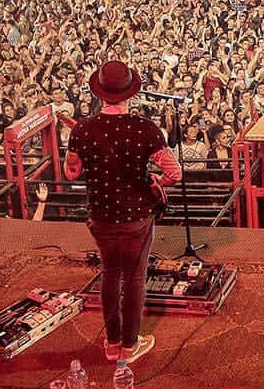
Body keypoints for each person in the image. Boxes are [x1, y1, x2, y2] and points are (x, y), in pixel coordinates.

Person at [65, 60, 181, 365]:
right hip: (136, 215)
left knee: (110, 274)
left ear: (100, 93)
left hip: (100, 214)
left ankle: (112, 342)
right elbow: (174, 173)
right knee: (134, 277)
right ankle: (130, 346)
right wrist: (158, 179)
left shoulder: (82, 130)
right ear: (131, 92)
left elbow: (72, 172)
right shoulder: (144, 129)